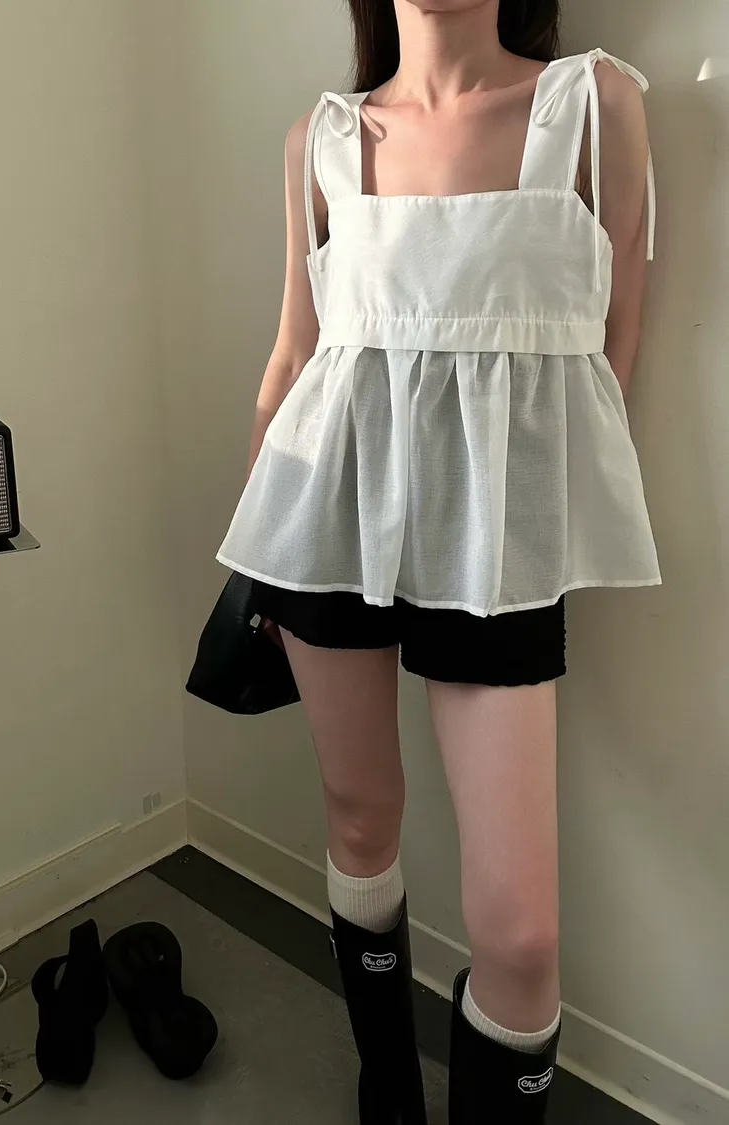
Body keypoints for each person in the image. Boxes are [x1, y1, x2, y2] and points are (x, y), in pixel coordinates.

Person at [217, 0, 660, 1120]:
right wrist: (256, 551)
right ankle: (387, 1083)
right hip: (323, 515)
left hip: (498, 541)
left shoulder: (591, 105)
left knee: (522, 936)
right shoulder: (320, 139)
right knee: (360, 817)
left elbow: (616, 344)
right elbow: (295, 352)